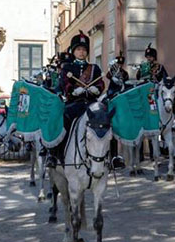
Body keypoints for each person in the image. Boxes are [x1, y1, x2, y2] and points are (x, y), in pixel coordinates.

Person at [47, 32, 124, 169]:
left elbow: (100, 84)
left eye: (83, 50)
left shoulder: (94, 68)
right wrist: (72, 90)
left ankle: (114, 156)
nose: (81, 52)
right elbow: (65, 83)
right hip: (74, 103)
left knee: (108, 119)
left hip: (92, 104)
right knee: (62, 119)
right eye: (78, 49)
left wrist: (97, 89)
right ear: (73, 51)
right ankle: (55, 154)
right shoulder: (67, 68)